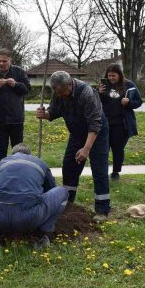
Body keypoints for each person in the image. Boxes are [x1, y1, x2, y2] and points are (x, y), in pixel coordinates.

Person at [36, 71, 110, 222]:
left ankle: (102, 210)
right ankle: (68, 204)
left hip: (96, 133)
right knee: (69, 166)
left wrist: (86, 149)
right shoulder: (58, 92)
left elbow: (95, 124)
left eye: (63, 92)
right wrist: (46, 114)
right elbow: (54, 111)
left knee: (99, 168)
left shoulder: (87, 93)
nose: (61, 95)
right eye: (58, 93)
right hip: (76, 133)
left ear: (70, 85)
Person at [0, 143, 69, 248]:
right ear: (29, 155)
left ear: (12, 154)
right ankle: (43, 235)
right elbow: (51, 189)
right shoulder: (39, 163)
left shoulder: (2, 163)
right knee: (63, 192)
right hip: (29, 219)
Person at [98, 64, 142, 180]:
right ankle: (102, 172)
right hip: (105, 123)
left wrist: (128, 103)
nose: (111, 78)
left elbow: (139, 101)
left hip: (121, 124)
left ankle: (116, 172)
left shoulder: (129, 85)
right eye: (109, 75)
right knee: (103, 149)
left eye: (114, 75)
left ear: (120, 75)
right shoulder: (103, 86)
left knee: (118, 149)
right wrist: (99, 93)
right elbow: (96, 103)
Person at [0, 48, 31, 162]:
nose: (1, 63)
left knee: (18, 150)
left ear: (10, 60)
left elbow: (27, 89)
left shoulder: (19, 72)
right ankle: (0, 174)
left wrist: (16, 84)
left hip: (16, 118)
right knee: (1, 148)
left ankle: (18, 173)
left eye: (4, 61)